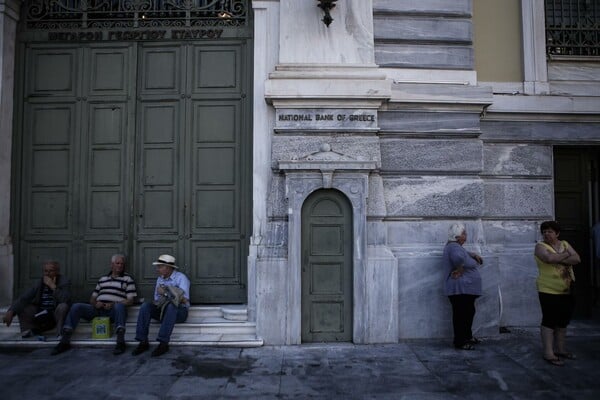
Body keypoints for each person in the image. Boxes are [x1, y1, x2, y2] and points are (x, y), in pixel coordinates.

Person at [52, 254, 137, 355]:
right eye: (117, 263)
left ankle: (120, 342)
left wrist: (114, 304)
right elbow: (92, 298)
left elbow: (130, 300)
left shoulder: (127, 279)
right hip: (98, 309)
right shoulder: (102, 279)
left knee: (120, 306)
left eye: (122, 264)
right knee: (76, 306)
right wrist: (96, 303)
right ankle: (64, 341)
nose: (120, 266)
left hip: (113, 311)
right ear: (112, 265)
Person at [534, 220, 581, 366]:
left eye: (550, 232)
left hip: (567, 289)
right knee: (549, 320)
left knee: (563, 321)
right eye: (544, 232)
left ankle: (560, 349)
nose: (546, 234)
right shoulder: (540, 246)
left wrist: (559, 257)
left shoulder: (564, 244)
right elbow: (548, 258)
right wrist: (566, 255)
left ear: (557, 233)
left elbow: (577, 259)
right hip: (548, 289)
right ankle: (549, 353)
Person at [132, 254, 190, 357]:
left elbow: (184, 301)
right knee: (146, 306)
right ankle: (143, 341)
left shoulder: (181, 278)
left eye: (159, 266)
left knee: (172, 306)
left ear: (167, 267)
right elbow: (157, 300)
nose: (157, 269)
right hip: (163, 310)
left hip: (180, 312)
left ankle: (163, 343)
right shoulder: (160, 279)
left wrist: (166, 293)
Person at [442, 223, 484, 350]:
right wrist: (459, 268)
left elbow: (463, 254)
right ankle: (460, 341)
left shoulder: (455, 246)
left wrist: (472, 255)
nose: (466, 236)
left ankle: (467, 336)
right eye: (464, 233)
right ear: (457, 236)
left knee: (468, 313)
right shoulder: (454, 247)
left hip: (465, 288)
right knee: (461, 315)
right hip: (461, 288)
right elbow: (458, 257)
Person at [2, 260, 71, 338]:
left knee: (63, 306)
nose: (48, 273)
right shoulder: (40, 282)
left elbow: (65, 299)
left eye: (51, 271)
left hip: (54, 314)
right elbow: (25, 297)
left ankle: (60, 333)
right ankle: (28, 330)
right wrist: (11, 311)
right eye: (45, 271)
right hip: (41, 312)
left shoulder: (64, 281)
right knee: (23, 307)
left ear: (57, 272)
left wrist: (52, 286)